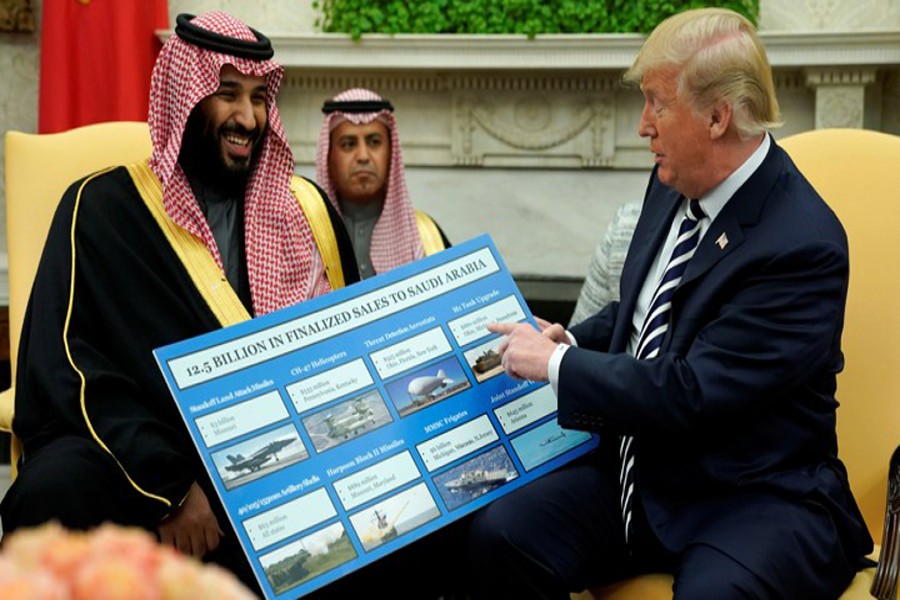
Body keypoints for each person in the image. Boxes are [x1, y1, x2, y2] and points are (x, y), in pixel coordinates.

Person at [472, 8, 873, 599]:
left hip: (751, 494)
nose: (642, 126)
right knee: (498, 534)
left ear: (717, 117)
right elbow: (645, 316)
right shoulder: (673, 183)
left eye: (657, 103)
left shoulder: (802, 243)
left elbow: (691, 391)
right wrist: (570, 339)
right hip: (643, 475)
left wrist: (555, 367)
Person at [0, 12, 359, 591]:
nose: (248, 118)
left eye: (259, 97)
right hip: (139, 463)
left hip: (268, 467)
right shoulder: (103, 210)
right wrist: (170, 486)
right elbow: (70, 370)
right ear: (184, 96)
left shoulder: (303, 216)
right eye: (227, 94)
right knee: (55, 486)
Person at [315, 87, 449, 280]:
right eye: (348, 144)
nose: (363, 156)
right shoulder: (306, 238)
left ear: (391, 153)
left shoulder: (427, 237)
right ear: (328, 157)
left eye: (374, 142)